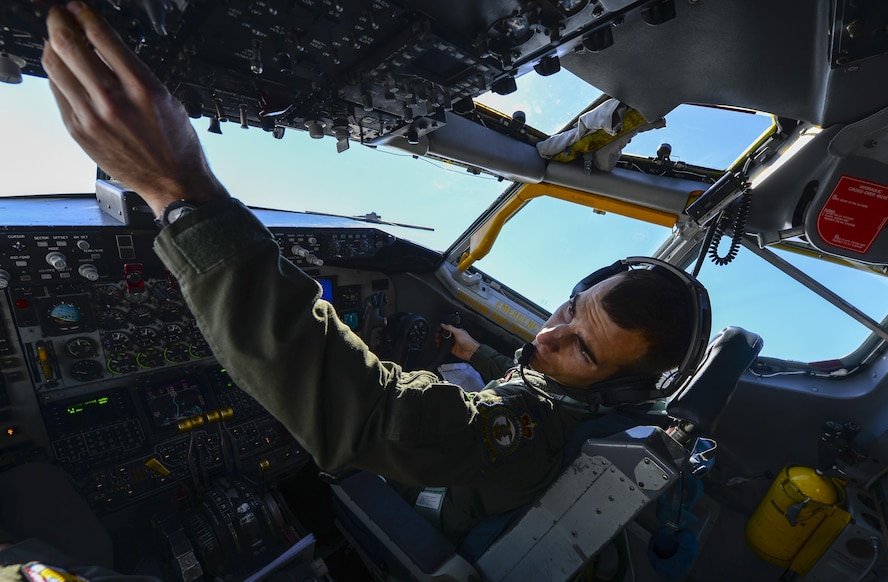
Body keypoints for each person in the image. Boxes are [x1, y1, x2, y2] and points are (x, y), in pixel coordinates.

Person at [35, 0, 698, 553]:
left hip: (431, 507)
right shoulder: (586, 409)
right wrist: (480, 353)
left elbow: (381, 416)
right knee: (452, 375)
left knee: (343, 451)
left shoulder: (523, 433)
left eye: (583, 349)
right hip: (472, 475)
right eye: (571, 309)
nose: (548, 335)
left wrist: (182, 193)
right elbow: (536, 383)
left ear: (617, 387)